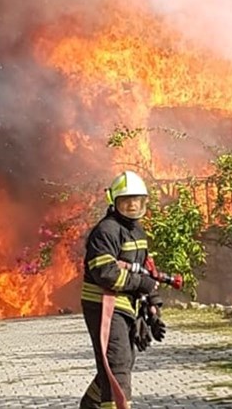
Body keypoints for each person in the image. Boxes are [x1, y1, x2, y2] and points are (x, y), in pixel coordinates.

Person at [79, 170, 163, 409]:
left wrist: (153, 301)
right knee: (117, 365)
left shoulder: (137, 231)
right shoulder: (106, 231)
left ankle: (90, 405)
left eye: (137, 201)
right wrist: (139, 284)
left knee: (123, 362)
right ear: (113, 202)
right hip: (103, 305)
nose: (133, 206)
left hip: (126, 305)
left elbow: (146, 267)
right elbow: (104, 272)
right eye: (126, 201)